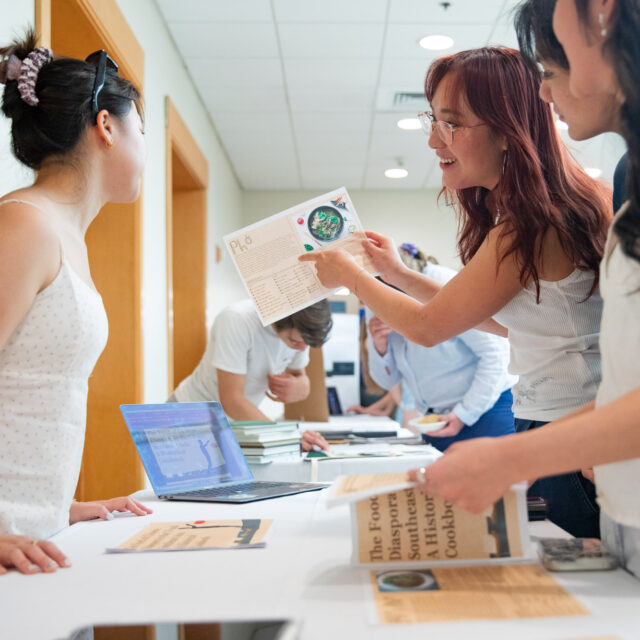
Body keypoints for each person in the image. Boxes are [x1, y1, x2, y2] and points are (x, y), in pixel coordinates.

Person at [299, 46, 612, 537]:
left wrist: (353, 277)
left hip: (573, 434)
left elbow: (429, 329)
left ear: (508, 131)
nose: (432, 140)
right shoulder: (535, 213)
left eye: (451, 124)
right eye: (433, 120)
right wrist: (396, 274)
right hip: (563, 428)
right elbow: (502, 320)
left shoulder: (531, 224)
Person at [401, 0, 640, 579]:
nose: (548, 93)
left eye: (554, 68)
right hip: (598, 456)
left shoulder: (542, 219)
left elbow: (433, 326)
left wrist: (514, 457)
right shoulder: (626, 177)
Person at [0, 31, 152, 576]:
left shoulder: (63, 235)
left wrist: (57, 506)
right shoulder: (23, 224)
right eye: (142, 129)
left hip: (34, 531)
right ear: (107, 126)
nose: (146, 150)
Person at [367, 245, 516, 452]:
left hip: (487, 410)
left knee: (493, 481)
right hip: (436, 420)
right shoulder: (375, 295)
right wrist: (379, 345)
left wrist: (464, 414)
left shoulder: (443, 283)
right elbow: (388, 381)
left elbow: (496, 355)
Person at [171, 299, 332, 423]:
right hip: (186, 414)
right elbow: (232, 401)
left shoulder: (301, 335)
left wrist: (301, 387)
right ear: (279, 318)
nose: (302, 349)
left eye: (307, 344)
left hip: (229, 423)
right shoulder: (237, 320)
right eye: (294, 341)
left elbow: (299, 375)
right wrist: (281, 436)